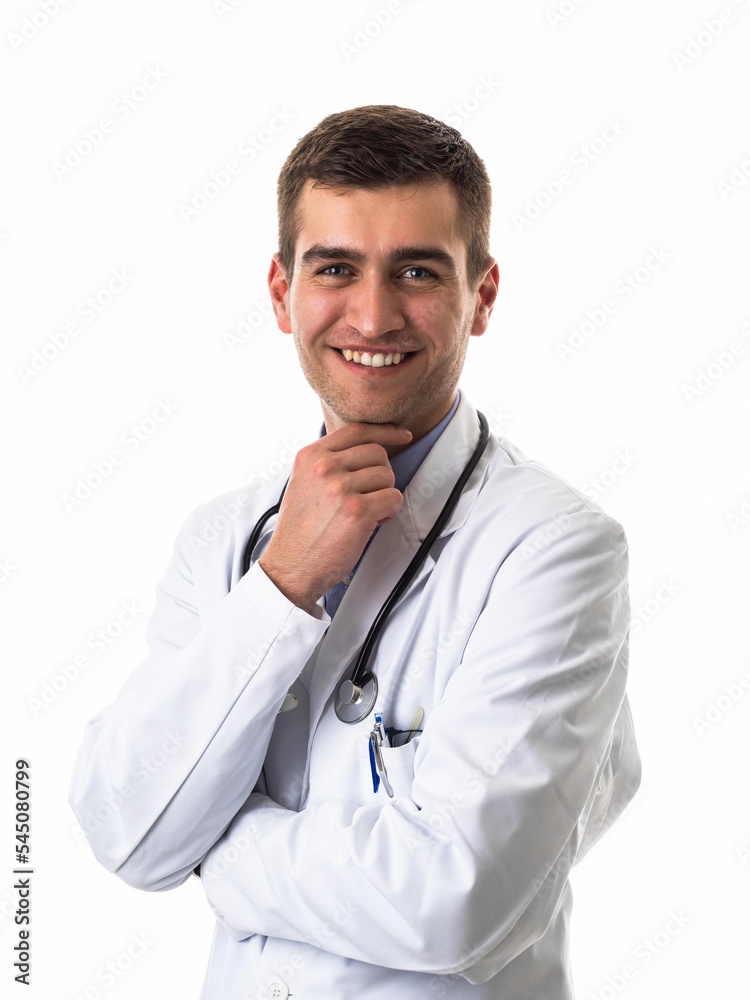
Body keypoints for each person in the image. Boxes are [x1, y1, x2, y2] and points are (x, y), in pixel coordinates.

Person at [69, 104, 641, 1000]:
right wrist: (283, 585)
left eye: (417, 270)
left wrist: (211, 844)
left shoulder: (554, 550)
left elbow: (455, 903)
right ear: (280, 290)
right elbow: (123, 828)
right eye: (335, 267)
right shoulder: (224, 539)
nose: (373, 316)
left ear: (480, 296)